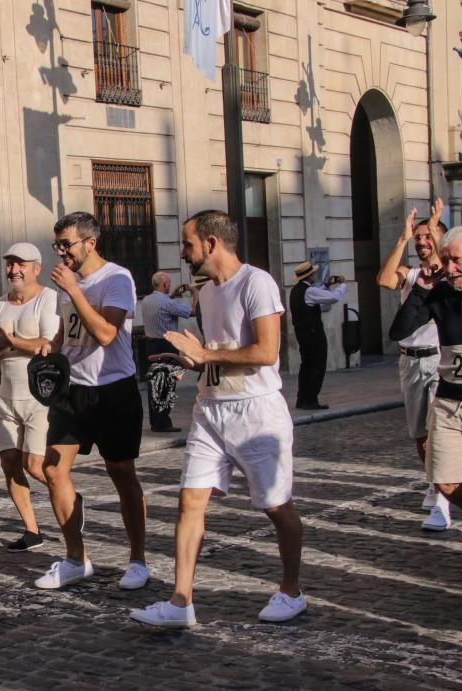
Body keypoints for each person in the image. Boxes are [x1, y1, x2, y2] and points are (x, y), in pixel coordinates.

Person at [131, 210, 305, 627]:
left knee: (277, 506)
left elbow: (266, 353)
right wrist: (192, 362)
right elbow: (219, 353)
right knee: (190, 500)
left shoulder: (257, 283)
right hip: (210, 409)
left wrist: (208, 354)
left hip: (257, 411)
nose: (184, 253)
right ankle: (180, 603)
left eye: (188, 244)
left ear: (210, 243)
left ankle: (292, 591)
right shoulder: (206, 293)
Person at [33, 211, 148, 591]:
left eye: (67, 244)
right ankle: (75, 559)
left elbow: (105, 333)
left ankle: (137, 560)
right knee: (53, 470)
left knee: (121, 474)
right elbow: (71, 328)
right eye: (58, 245)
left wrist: (76, 291)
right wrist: (53, 346)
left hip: (113, 387)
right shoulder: (68, 285)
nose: (61, 252)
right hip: (74, 389)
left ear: (90, 242)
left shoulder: (117, 279)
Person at [389, 226, 462, 583]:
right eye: (445, 261)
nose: (449, 267)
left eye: (455, 260)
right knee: (443, 480)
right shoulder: (439, 292)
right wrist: (421, 289)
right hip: (449, 400)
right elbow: (399, 331)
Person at [377, 200, 451, 530]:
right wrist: (403, 239)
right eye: (418, 239)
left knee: (440, 431)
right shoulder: (412, 276)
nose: (422, 243)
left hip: (439, 361)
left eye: (427, 238)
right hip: (410, 363)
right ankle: (435, 483)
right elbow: (383, 279)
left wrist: (435, 224)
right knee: (421, 435)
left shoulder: (450, 273)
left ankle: (443, 497)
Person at [0, 242, 57, 552]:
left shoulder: (48, 298)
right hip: (6, 395)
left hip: (39, 396)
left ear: (35, 268)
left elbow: (48, 344)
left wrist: (10, 340)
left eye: (20, 264)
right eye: (10, 264)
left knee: (35, 466)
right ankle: (32, 531)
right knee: (9, 462)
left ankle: (68, 498)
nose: (13, 270)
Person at [141, 271, 199, 433]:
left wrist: (172, 295)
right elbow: (192, 312)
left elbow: (163, 306)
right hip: (166, 346)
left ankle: (156, 422)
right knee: (167, 385)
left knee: (154, 384)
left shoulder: (147, 300)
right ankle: (164, 423)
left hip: (150, 345)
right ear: (165, 284)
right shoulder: (166, 303)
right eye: (169, 283)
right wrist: (195, 294)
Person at [289, 261, 346, 410]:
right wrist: (343, 285)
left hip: (302, 333)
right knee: (317, 365)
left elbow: (316, 294)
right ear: (309, 276)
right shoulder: (309, 291)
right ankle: (310, 399)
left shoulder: (296, 290)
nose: (315, 274)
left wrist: (326, 285)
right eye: (313, 273)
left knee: (306, 365)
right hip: (313, 333)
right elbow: (333, 297)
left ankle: (302, 398)